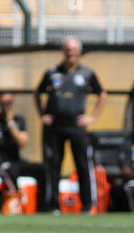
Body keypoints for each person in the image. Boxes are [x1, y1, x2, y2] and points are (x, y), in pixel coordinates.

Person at [34, 36, 107, 213]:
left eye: (73, 49)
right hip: (55, 127)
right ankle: (53, 206)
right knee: (53, 166)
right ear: (63, 51)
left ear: (79, 51)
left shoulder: (87, 73)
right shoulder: (52, 72)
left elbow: (102, 94)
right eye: (67, 49)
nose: (70, 52)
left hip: (77, 127)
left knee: (83, 165)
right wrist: (43, 114)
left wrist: (92, 117)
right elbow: (37, 92)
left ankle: (88, 205)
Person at [0, 92, 47, 210]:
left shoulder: (19, 120)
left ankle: (42, 207)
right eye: (3, 103)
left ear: (13, 103)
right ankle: (14, 206)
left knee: (43, 169)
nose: (6, 106)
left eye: (9, 103)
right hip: (0, 162)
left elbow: (22, 143)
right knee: (11, 171)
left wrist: (11, 124)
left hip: (16, 160)